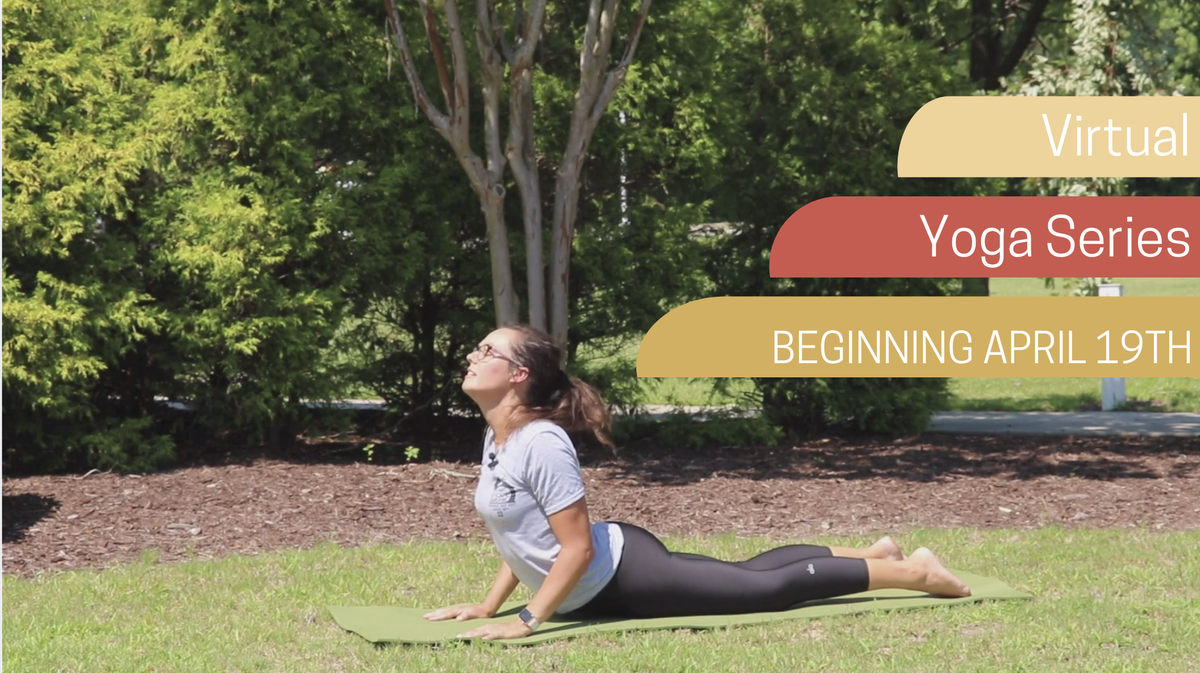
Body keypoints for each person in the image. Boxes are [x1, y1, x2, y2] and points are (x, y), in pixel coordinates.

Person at [427, 324, 972, 641]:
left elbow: (575, 546)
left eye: (488, 351)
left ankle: (914, 572)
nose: (474, 357)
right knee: (749, 572)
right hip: (602, 577)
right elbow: (522, 537)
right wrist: (486, 604)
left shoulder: (541, 442)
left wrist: (526, 620)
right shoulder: (499, 435)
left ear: (518, 376)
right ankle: (874, 550)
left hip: (623, 575)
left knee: (765, 591)